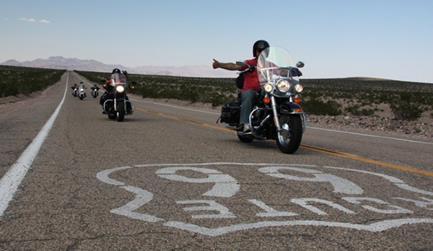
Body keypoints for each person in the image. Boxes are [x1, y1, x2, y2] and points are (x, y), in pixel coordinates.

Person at [212, 40, 270, 132]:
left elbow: (280, 70)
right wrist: (220, 65)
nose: (261, 53)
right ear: (255, 52)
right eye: (259, 51)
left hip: (264, 90)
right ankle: (245, 124)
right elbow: (234, 66)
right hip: (250, 89)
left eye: (264, 51)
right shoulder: (249, 63)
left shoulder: (270, 64)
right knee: (249, 94)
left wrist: (291, 70)